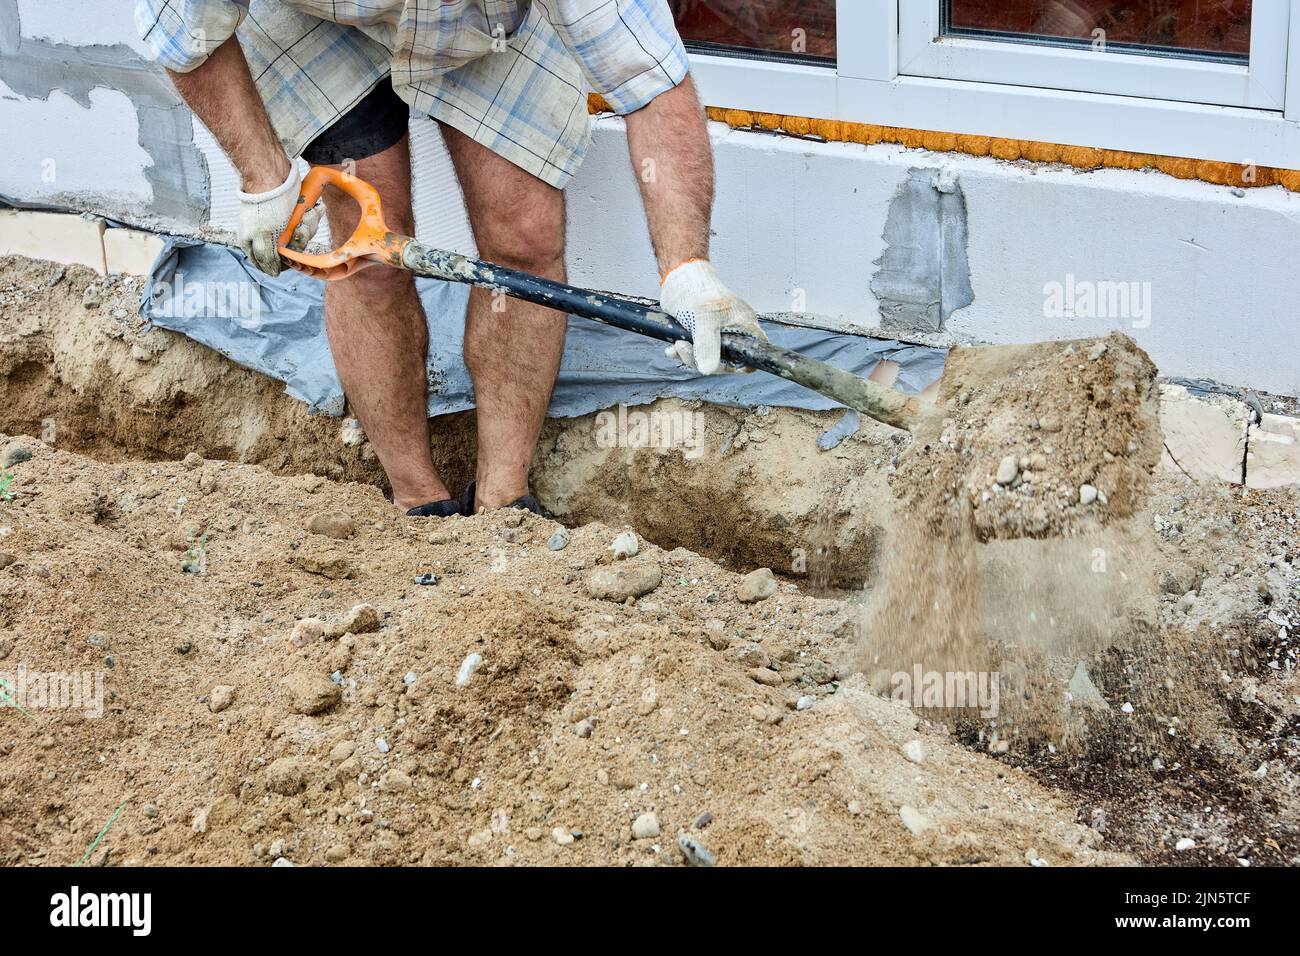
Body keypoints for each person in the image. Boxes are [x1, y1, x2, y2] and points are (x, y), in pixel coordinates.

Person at [134, 0, 766, 516]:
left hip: (478, 22)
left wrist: (687, 270)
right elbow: (178, 31)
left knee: (526, 234)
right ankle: (418, 503)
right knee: (370, 251)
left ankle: (502, 502)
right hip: (314, 19)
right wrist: (264, 176)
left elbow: (650, 80)